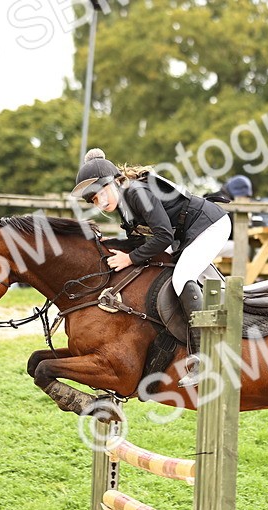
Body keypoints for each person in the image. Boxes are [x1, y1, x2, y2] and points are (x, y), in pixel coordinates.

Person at [72, 148, 229, 387]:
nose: (99, 202)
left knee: (182, 277)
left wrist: (130, 259)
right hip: (188, 234)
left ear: (114, 182)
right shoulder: (124, 205)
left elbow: (163, 236)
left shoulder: (136, 193)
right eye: (94, 200)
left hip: (210, 225)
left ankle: (205, 357)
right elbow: (137, 242)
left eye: (101, 193)